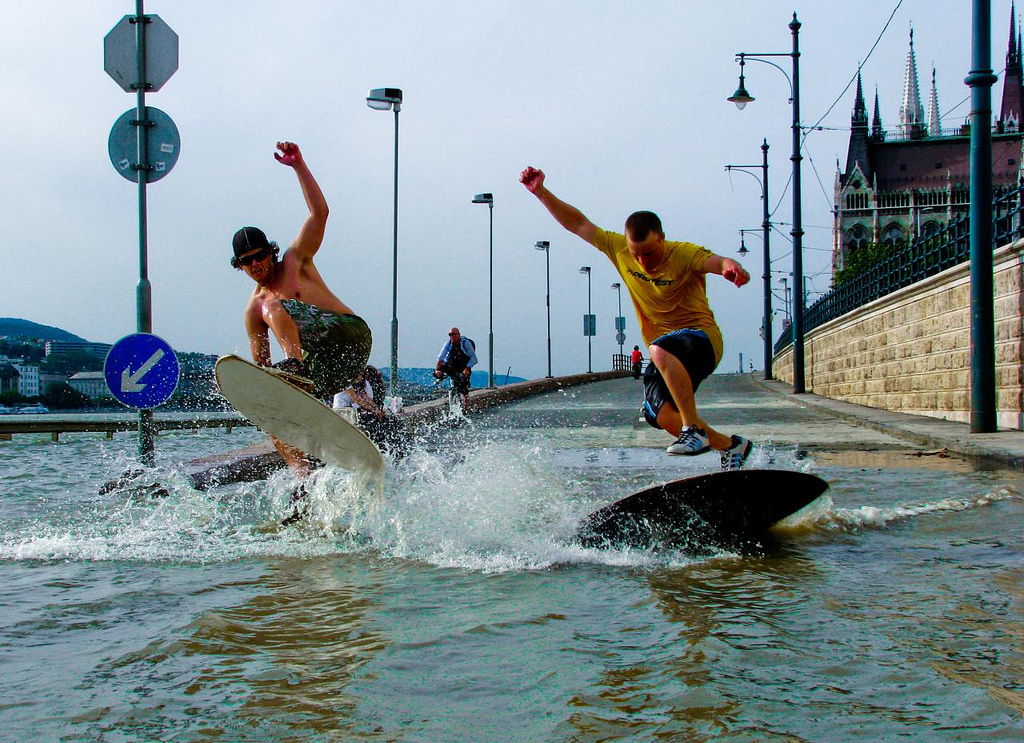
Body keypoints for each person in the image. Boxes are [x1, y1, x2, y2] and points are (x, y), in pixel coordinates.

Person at [520, 166, 754, 470]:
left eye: (650, 253)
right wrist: (541, 192)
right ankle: (732, 447)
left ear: (662, 240)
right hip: (666, 354)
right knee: (657, 413)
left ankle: (693, 431)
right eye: (637, 254)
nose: (644, 261)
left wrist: (731, 269)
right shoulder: (619, 249)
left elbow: (717, 260)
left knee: (661, 348)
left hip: (702, 340)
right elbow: (578, 225)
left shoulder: (682, 254)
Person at [232, 141, 373, 510]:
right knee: (273, 414)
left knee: (272, 302)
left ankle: (294, 368)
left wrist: (299, 166)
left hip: (349, 335)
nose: (256, 264)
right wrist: (267, 399)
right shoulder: (252, 312)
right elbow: (260, 369)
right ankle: (304, 482)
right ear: (241, 266)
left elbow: (320, 212)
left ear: (271, 252)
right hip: (329, 366)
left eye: (260, 255)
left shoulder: (296, 261)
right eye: (247, 261)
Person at [332, 365, 406, 455]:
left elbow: (365, 398)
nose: (360, 376)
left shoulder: (360, 384)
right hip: (343, 412)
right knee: (371, 419)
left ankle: (391, 448)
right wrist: (373, 410)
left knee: (386, 421)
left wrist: (376, 409)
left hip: (352, 412)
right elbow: (357, 399)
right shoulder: (346, 384)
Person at [433, 327, 477, 410]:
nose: (452, 336)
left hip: (464, 365)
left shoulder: (465, 343)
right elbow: (441, 358)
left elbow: (474, 358)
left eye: (454, 334)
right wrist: (437, 370)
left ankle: (465, 408)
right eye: (450, 335)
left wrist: (467, 368)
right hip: (452, 364)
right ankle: (452, 407)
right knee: (440, 372)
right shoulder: (448, 344)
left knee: (463, 387)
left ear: (459, 335)